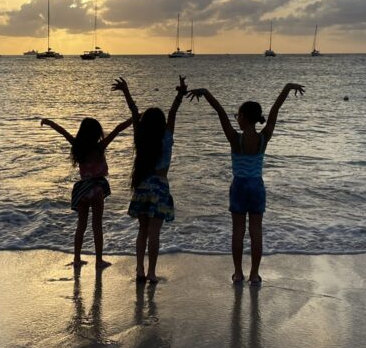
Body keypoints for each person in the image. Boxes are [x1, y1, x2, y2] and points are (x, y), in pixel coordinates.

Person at [187, 83, 305, 284]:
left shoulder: (235, 139)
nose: (236, 118)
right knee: (256, 232)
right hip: (257, 187)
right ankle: (255, 274)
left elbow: (220, 113)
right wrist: (287, 87)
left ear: (244, 118)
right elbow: (275, 110)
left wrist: (206, 93)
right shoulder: (263, 138)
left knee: (238, 232)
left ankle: (238, 273)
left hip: (239, 187)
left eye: (238, 115)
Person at [112, 76, 187, 283]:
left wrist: (126, 91)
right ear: (162, 123)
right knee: (155, 232)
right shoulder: (167, 136)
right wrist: (179, 94)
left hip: (143, 186)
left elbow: (134, 114)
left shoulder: (142, 137)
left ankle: (139, 269)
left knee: (142, 231)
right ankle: (152, 272)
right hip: (160, 187)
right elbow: (172, 113)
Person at [40, 115, 132, 268]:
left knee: (81, 225)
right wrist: (135, 118)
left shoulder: (78, 146)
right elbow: (118, 129)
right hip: (96, 190)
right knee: (97, 225)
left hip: (82, 190)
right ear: (96, 134)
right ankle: (99, 260)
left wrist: (49, 123)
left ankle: (77, 259)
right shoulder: (99, 147)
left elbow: (63, 132)